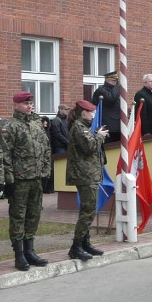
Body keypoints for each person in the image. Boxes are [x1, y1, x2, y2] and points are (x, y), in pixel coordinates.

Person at [0, 91, 52, 271]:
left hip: (36, 178)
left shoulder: (37, 124)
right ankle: (19, 254)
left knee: (34, 215)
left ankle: (30, 251)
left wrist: (46, 173)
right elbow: (5, 156)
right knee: (18, 217)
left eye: (31, 103)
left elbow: (46, 149)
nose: (29, 106)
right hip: (20, 180)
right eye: (25, 103)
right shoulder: (10, 127)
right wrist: (9, 181)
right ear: (15, 105)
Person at [65, 100, 109, 261]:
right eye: (91, 112)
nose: (93, 115)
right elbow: (89, 148)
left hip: (89, 173)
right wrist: (99, 136)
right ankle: (76, 247)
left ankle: (85, 242)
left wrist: (96, 134)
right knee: (88, 210)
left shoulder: (84, 128)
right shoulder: (79, 127)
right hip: (84, 174)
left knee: (89, 209)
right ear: (84, 112)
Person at [92, 71, 121, 143]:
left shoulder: (114, 90)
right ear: (107, 80)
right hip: (109, 125)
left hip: (117, 123)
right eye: (114, 81)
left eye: (116, 81)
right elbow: (111, 99)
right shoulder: (101, 90)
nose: (115, 82)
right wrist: (117, 86)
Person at [40, 116, 55, 193]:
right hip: (43, 154)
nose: (45, 123)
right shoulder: (41, 132)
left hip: (49, 153)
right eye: (44, 121)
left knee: (50, 171)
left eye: (47, 121)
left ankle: (49, 188)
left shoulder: (48, 131)